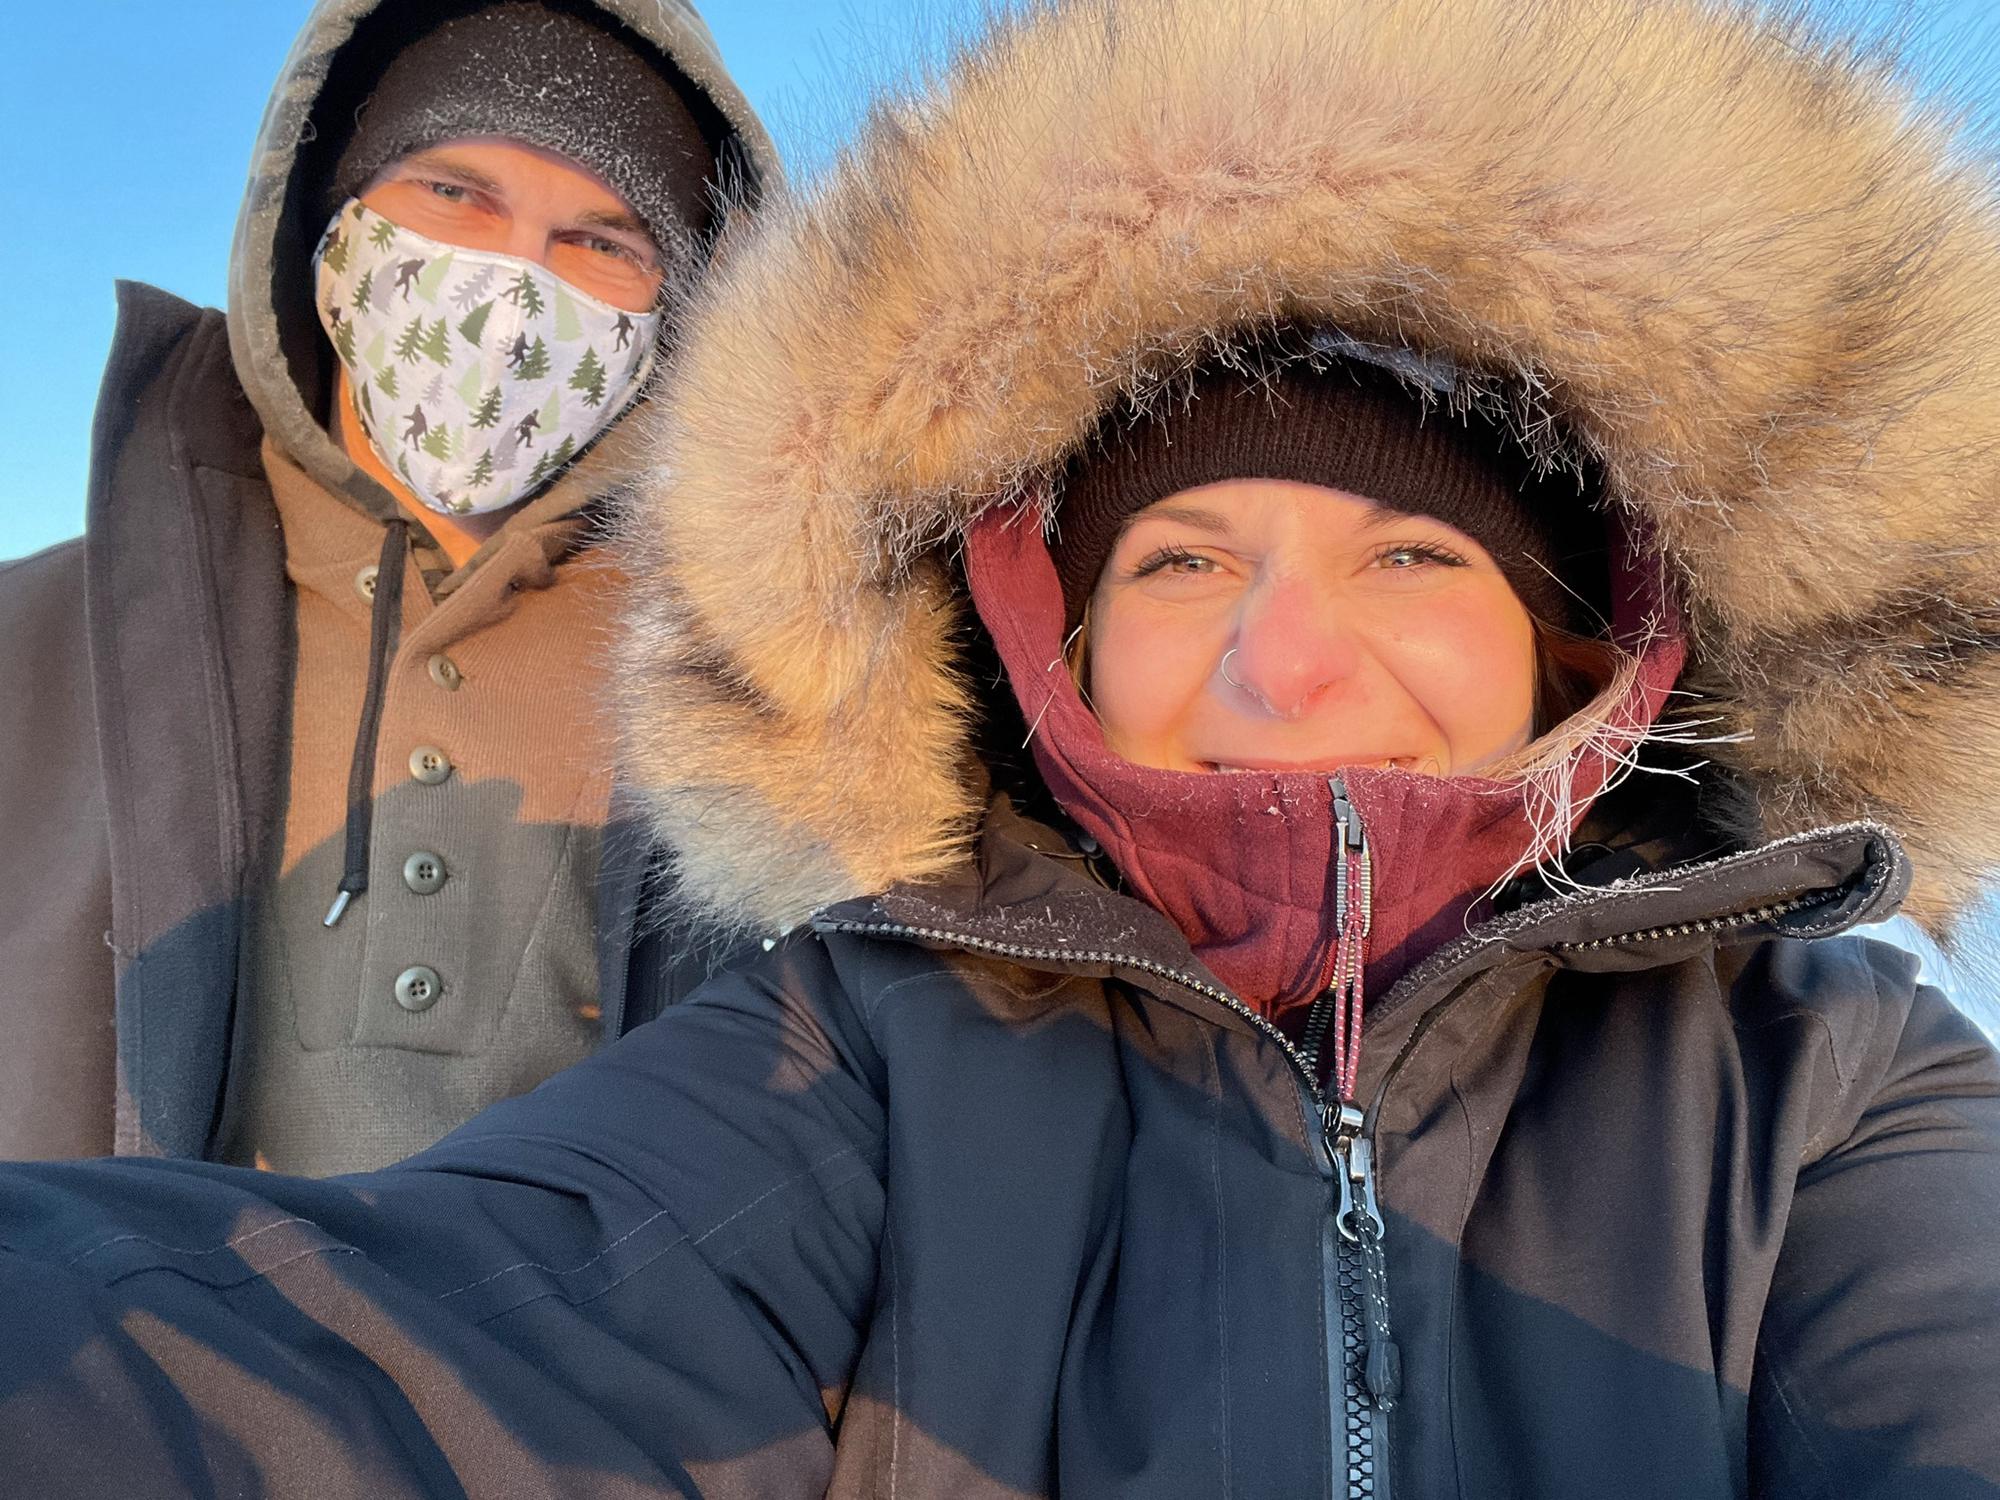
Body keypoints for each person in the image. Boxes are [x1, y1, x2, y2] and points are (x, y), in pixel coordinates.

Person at [4, 0, 2000, 1494]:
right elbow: (443, 1330)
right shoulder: (874, 1047)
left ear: (1589, 647)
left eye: (1410, 553)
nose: (1285, 660)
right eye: (1182, 557)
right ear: (1056, 650)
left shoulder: (1826, 1079)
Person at [0, 0, 778, 1170]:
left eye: (603, 244)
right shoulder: (31, 644)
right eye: (455, 193)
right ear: (331, 221)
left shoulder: (752, 681)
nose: (512, 294)